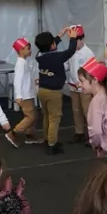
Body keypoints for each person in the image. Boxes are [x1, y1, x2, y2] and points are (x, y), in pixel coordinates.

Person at [35, 26, 78, 155]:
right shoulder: (57, 57)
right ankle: (52, 144)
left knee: (46, 116)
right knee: (55, 118)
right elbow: (70, 51)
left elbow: (48, 47)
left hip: (42, 90)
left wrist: (59, 36)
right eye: (54, 42)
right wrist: (73, 38)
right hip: (53, 92)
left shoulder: (39, 55)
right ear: (52, 45)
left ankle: (47, 139)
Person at [6, 37, 42, 148]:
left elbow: (26, 77)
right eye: (28, 48)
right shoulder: (21, 63)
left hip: (28, 93)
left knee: (34, 115)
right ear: (20, 50)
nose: (30, 50)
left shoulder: (24, 62)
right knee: (30, 116)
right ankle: (13, 133)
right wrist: (18, 95)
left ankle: (29, 134)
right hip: (25, 95)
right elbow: (18, 80)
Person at [64, 26, 94, 145]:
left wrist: (86, 84)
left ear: (82, 39)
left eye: (75, 40)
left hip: (84, 87)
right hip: (73, 86)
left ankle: (92, 134)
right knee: (76, 110)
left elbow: (91, 71)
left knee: (87, 110)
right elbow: (67, 65)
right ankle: (79, 132)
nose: (73, 43)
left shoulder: (88, 53)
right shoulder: (71, 51)